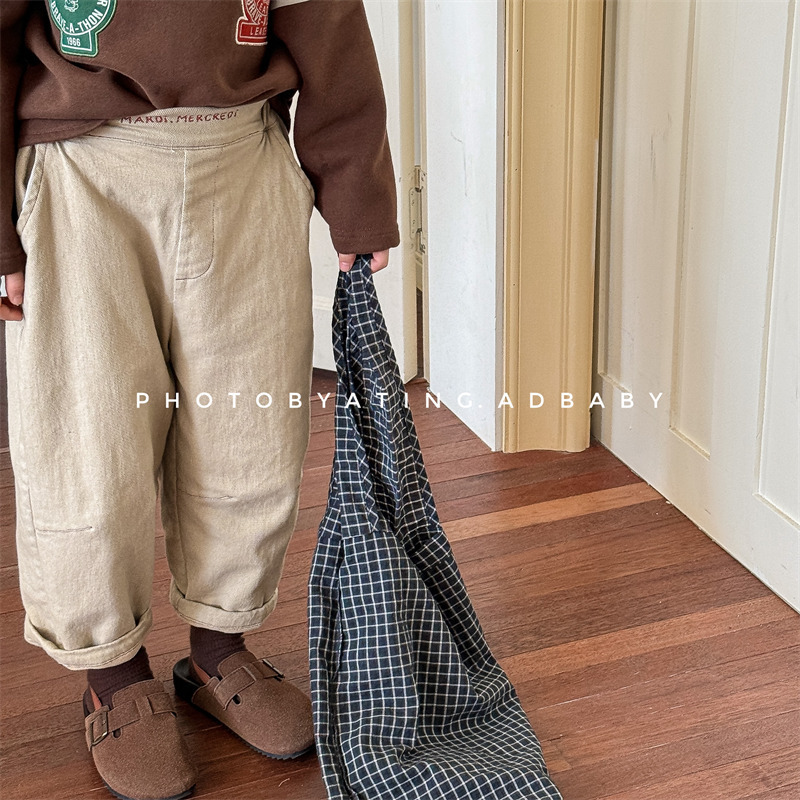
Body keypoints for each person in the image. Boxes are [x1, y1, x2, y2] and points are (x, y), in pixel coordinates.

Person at [0, 1, 399, 798]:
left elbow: (329, 29)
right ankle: (112, 675)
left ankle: (219, 649)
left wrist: (355, 194)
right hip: (81, 171)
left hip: (239, 158)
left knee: (250, 431)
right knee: (88, 443)